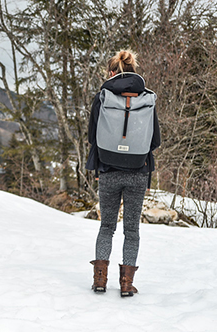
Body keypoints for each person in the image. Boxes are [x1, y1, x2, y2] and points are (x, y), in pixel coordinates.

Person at [86, 50, 161, 297]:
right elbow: (155, 140)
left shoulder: (103, 97)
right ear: (133, 69)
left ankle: (99, 280)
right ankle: (126, 284)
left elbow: (91, 136)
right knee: (132, 230)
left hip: (108, 170)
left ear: (111, 72)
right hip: (138, 172)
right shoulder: (146, 98)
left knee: (107, 226)